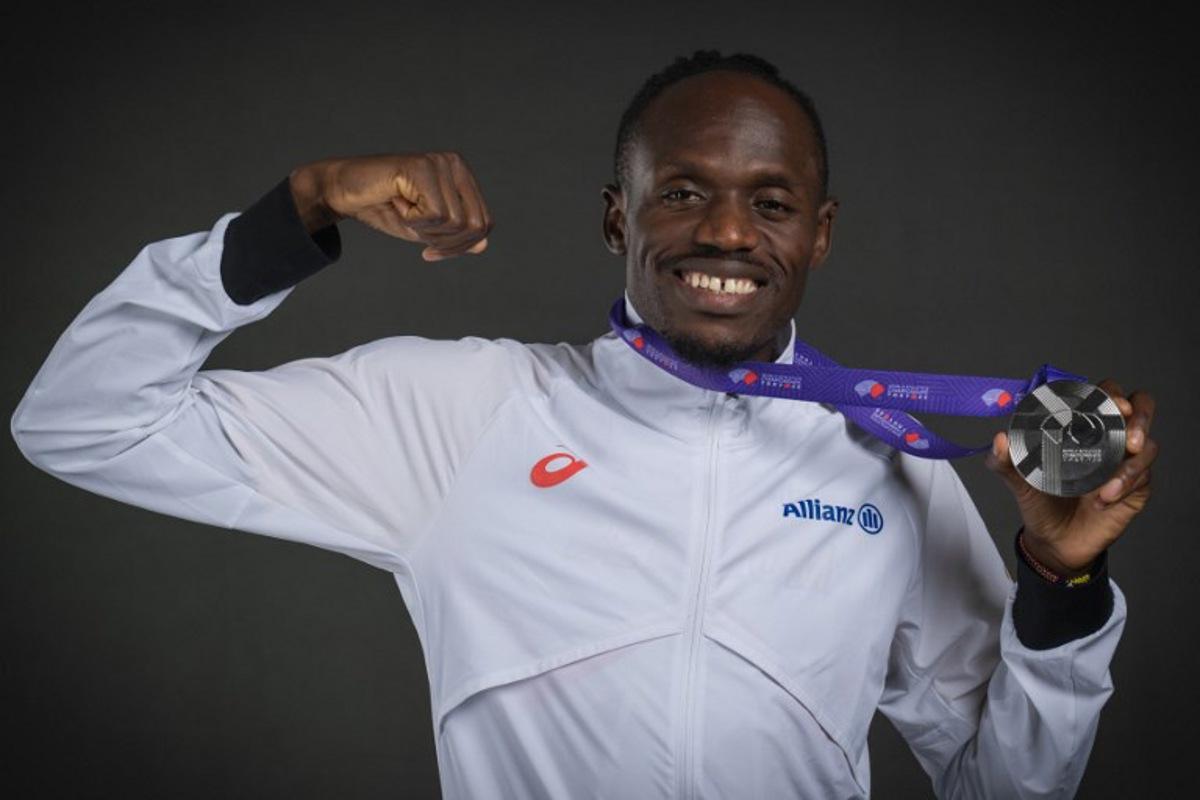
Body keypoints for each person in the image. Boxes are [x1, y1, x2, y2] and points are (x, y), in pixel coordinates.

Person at [10, 50, 1157, 799]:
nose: (723, 232)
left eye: (771, 202)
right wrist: (298, 209)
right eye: (681, 190)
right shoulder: (458, 413)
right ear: (618, 214)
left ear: (820, 233)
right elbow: (81, 418)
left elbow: (1008, 786)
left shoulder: (894, 460)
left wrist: (1058, 586)